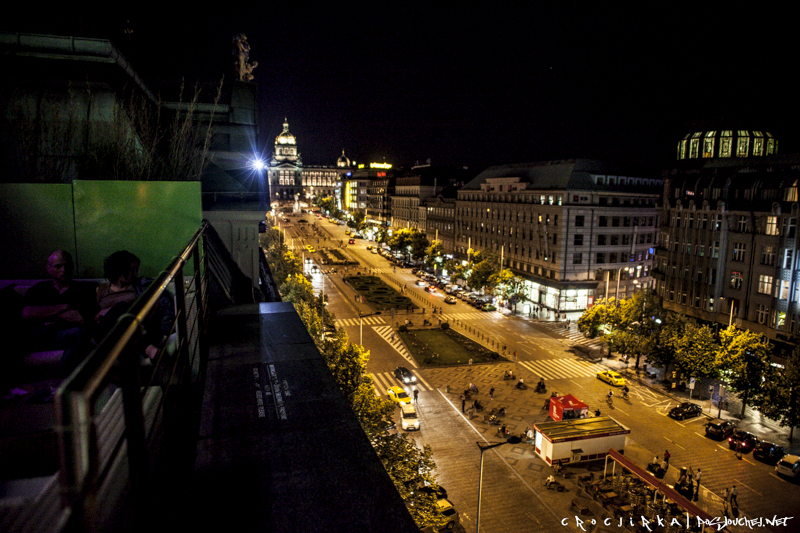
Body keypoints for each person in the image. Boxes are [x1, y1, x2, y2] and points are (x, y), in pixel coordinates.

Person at [21, 250, 99, 374]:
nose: (64, 270)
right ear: (48, 268)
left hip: (65, 335)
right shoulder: (39, 288)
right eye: (58, 266)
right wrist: (64, 307)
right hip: (38, 334)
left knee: (78, 333)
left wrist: (45, 313)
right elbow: (27, 313)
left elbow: (80, 318)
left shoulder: (84, 289)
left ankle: (67, 384)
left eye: (67, 266)